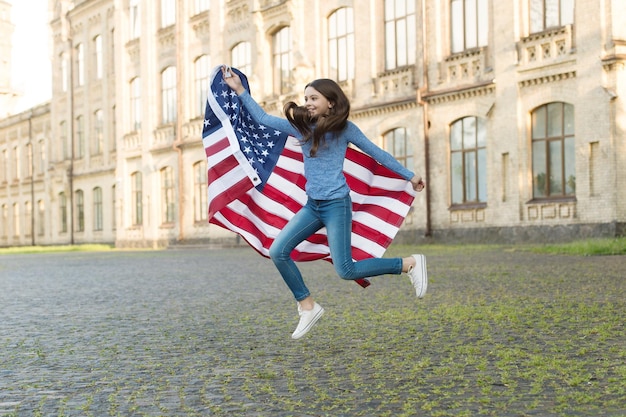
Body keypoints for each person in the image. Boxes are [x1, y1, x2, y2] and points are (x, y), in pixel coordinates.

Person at [221, 66, 427, 340]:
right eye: (306, 98)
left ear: (330, 102)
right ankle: (307, 305)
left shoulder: (345, 130)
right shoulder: (301, 127)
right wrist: (239, 90)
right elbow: (261, 118)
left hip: (337, 206)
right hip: (312, 206)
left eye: (314, 98)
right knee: (278, 251)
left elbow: (377, 153)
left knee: (346, 270)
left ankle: (409, 263)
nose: (308, 103)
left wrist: (409, 175)